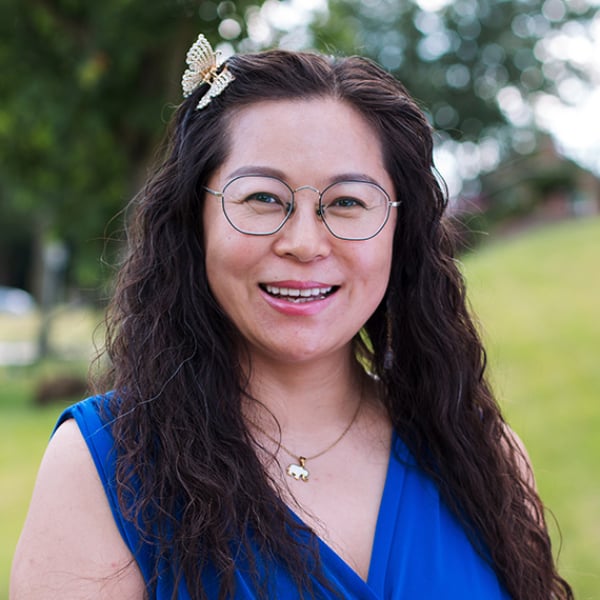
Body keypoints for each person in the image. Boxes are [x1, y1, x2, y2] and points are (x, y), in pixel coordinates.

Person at [11, 34, 572, 600]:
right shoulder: (103, 466)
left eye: (348, 202)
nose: (304, 243)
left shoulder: (483, 454)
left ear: (400, 234)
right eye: (262, 198)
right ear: (194, 220)